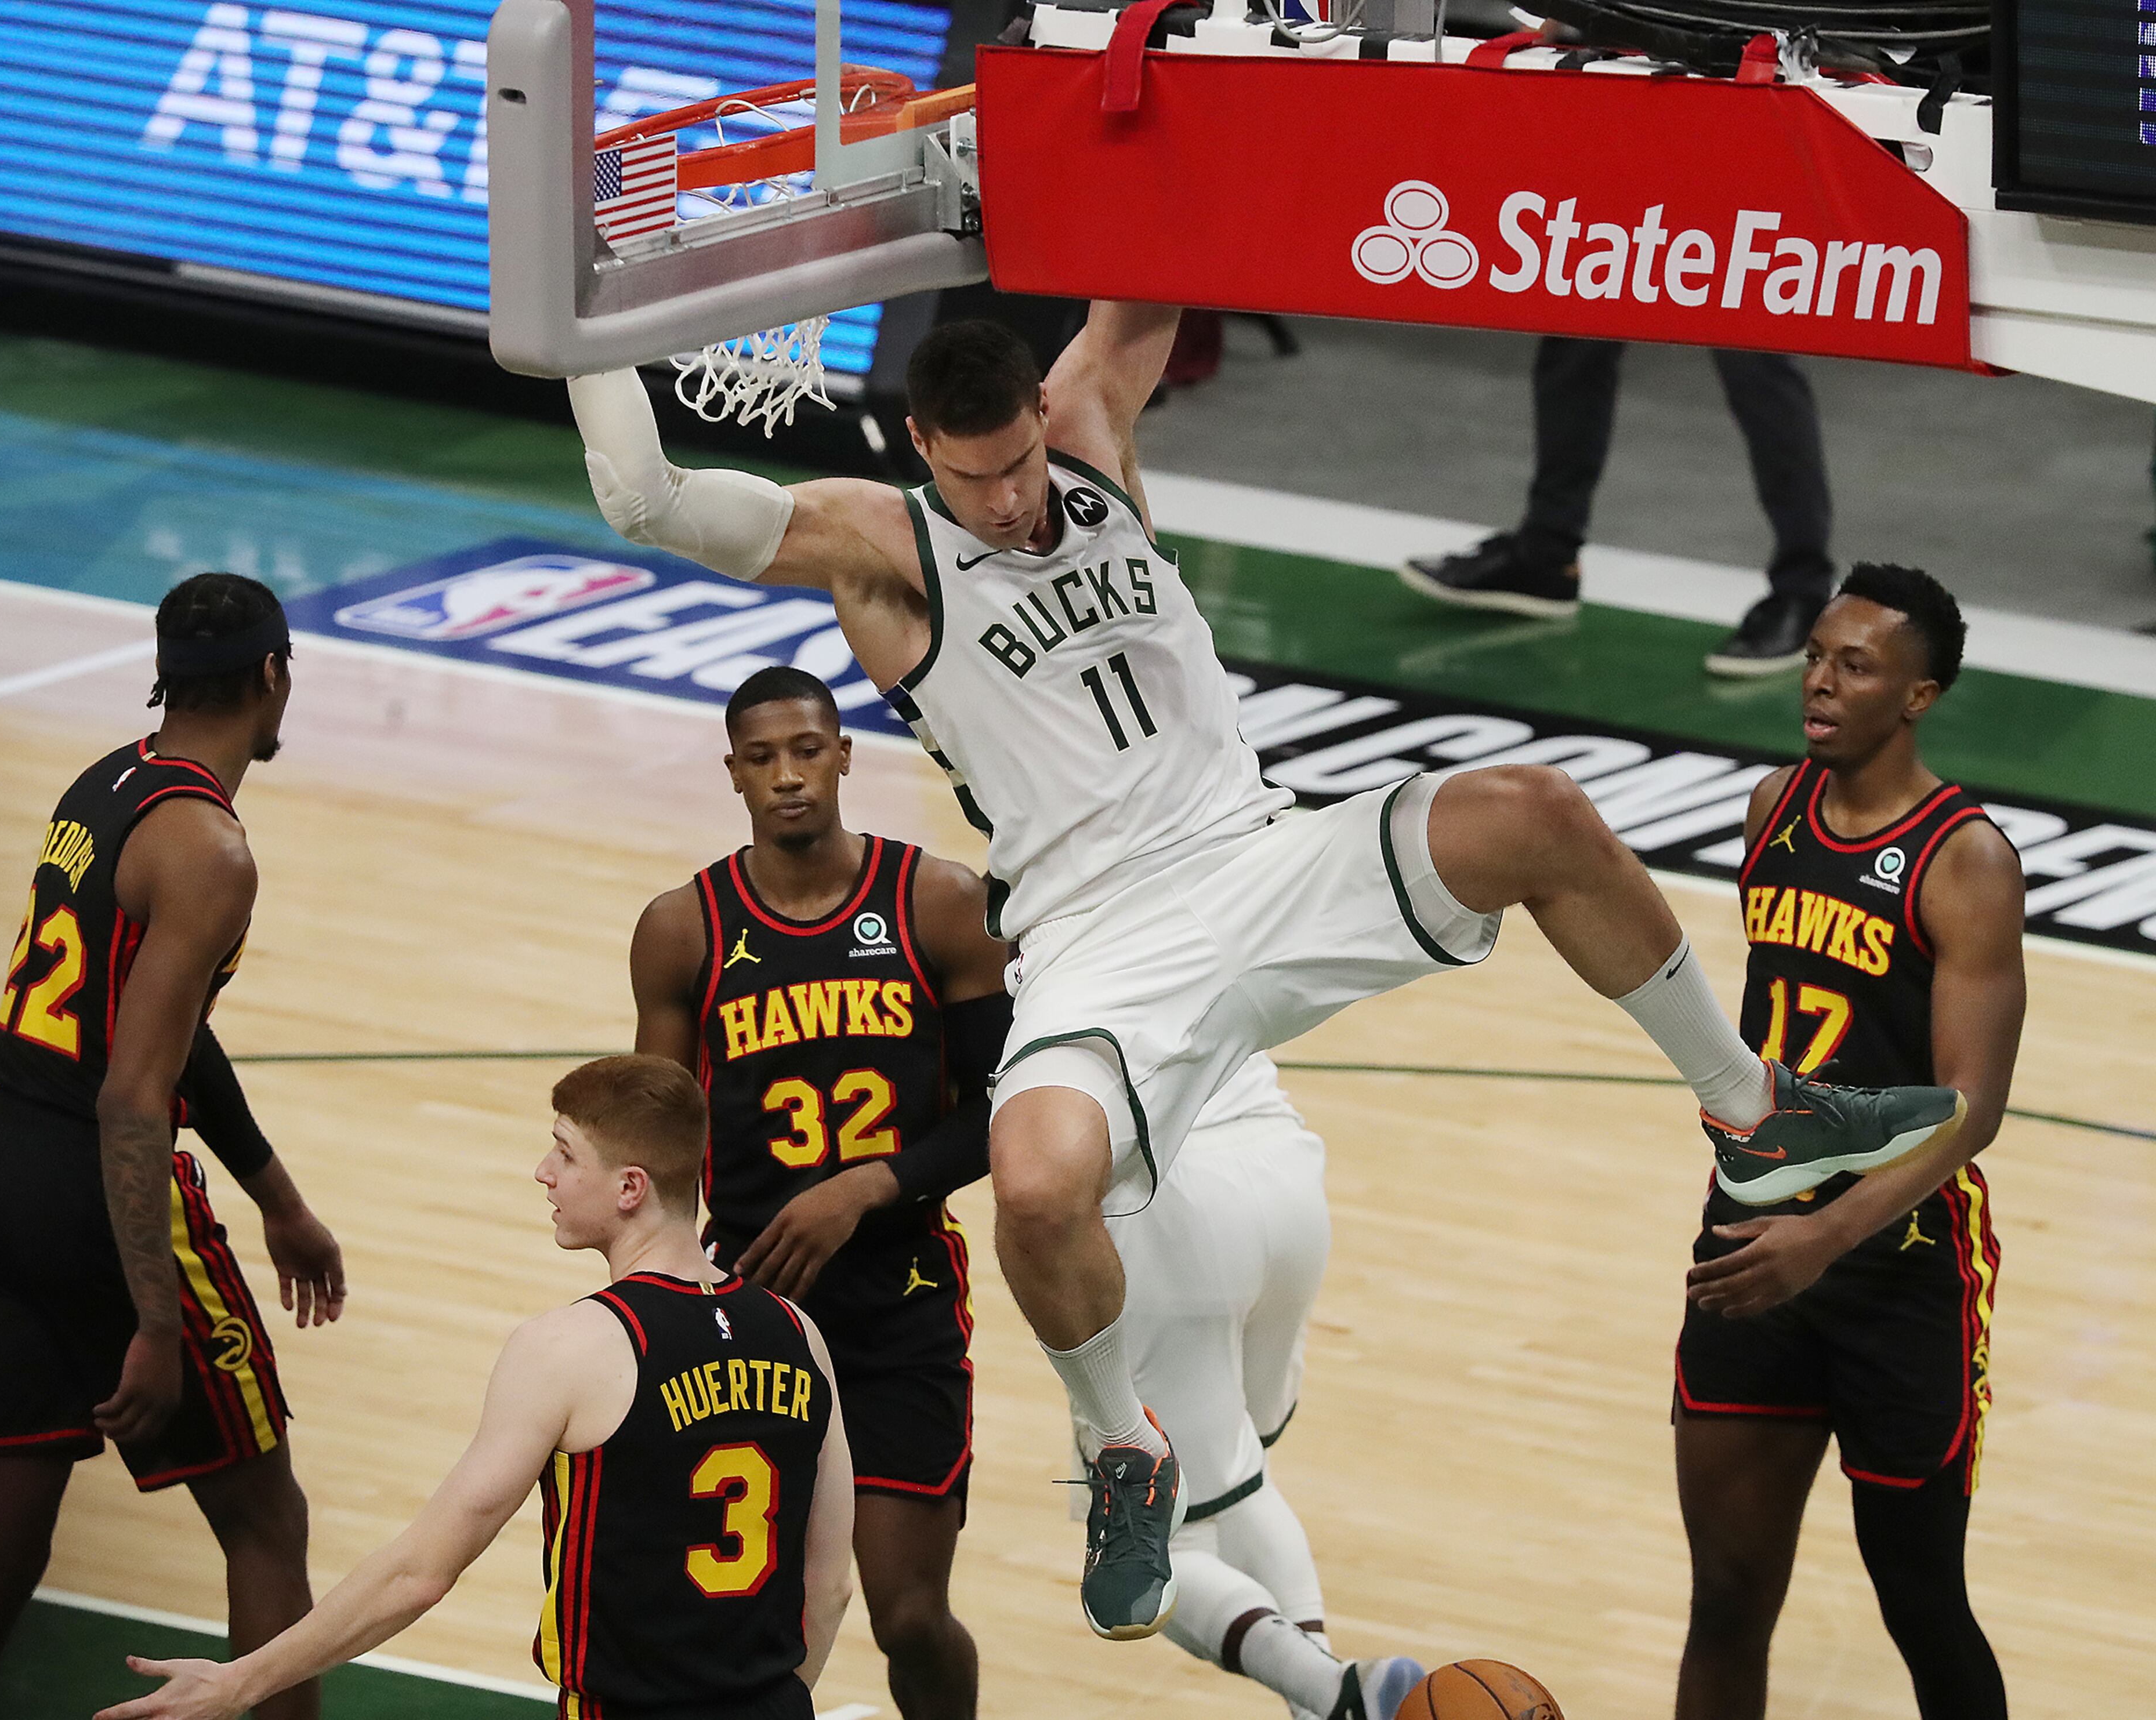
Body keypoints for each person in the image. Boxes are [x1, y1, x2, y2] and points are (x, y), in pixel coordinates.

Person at [563, 304, 1962, 1641]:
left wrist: (1132, 76)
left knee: (1534, 810)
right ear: (925, 449)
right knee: (1037, 1179)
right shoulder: (883, 543)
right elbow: (646, 497)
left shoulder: (1088, 433)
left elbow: (1148, 271)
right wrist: (579, 339)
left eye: (1019, 465)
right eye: (975, 474)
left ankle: (1747, 1107)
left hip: (1256, 849)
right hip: (1096, 928)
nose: (1007, 500)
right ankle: (1123, 1442)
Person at [97, 1054, 856, 1720]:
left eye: (565, 1153)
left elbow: (420, 1573)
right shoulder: (800, 1334)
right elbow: (828, 1586)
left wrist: (238, 1682)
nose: (543, 1171)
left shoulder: (570, 1347)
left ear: (630, 1187)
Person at [0, 573, 346, 1720]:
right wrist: (157, 1321)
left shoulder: (102, 783)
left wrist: (277, 1195)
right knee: (268, 1520)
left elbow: (159, 1025)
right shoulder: (210, 846)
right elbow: (135, 1089)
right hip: (95, 1194)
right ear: (273, 676)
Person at [1672, 564, 2020, 1720]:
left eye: (1855, 665)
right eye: (1817, 655)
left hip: (1900, 1265)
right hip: (1751, 1248)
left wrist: (1825, 1233)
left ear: (1918, 695)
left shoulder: (1966, 858)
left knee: (1921, 1601)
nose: (1820, 681)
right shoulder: (1773, 806)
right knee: (1724, 1597)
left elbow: (1972, 1108)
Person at [630, 665, 1008, 1720]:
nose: (789, 776)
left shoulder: (939, 902)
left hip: (899, 1304)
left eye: (807, 750)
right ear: (734, 774)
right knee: (732, 1607)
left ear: (845, 755)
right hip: (751, 1303)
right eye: (763, 758)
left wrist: (865, 1188)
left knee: (908, 1614)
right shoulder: (683, 929)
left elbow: (1004, 1113)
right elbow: (659, 1139)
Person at [1088, 1052, 1425, 1720]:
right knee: (1241, 1477)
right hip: (1283, 1167)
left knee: (1160, 1543)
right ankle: (1324, 1700)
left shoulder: (1013, 949)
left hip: (1167, 1201)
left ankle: (1338, 1692)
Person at [1402, 338, 1834, 676]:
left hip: (1736, 224)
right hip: (1634, 219)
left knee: (1754, 355)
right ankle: (1546, 555)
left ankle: (1803, 589)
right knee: (1579, 326)